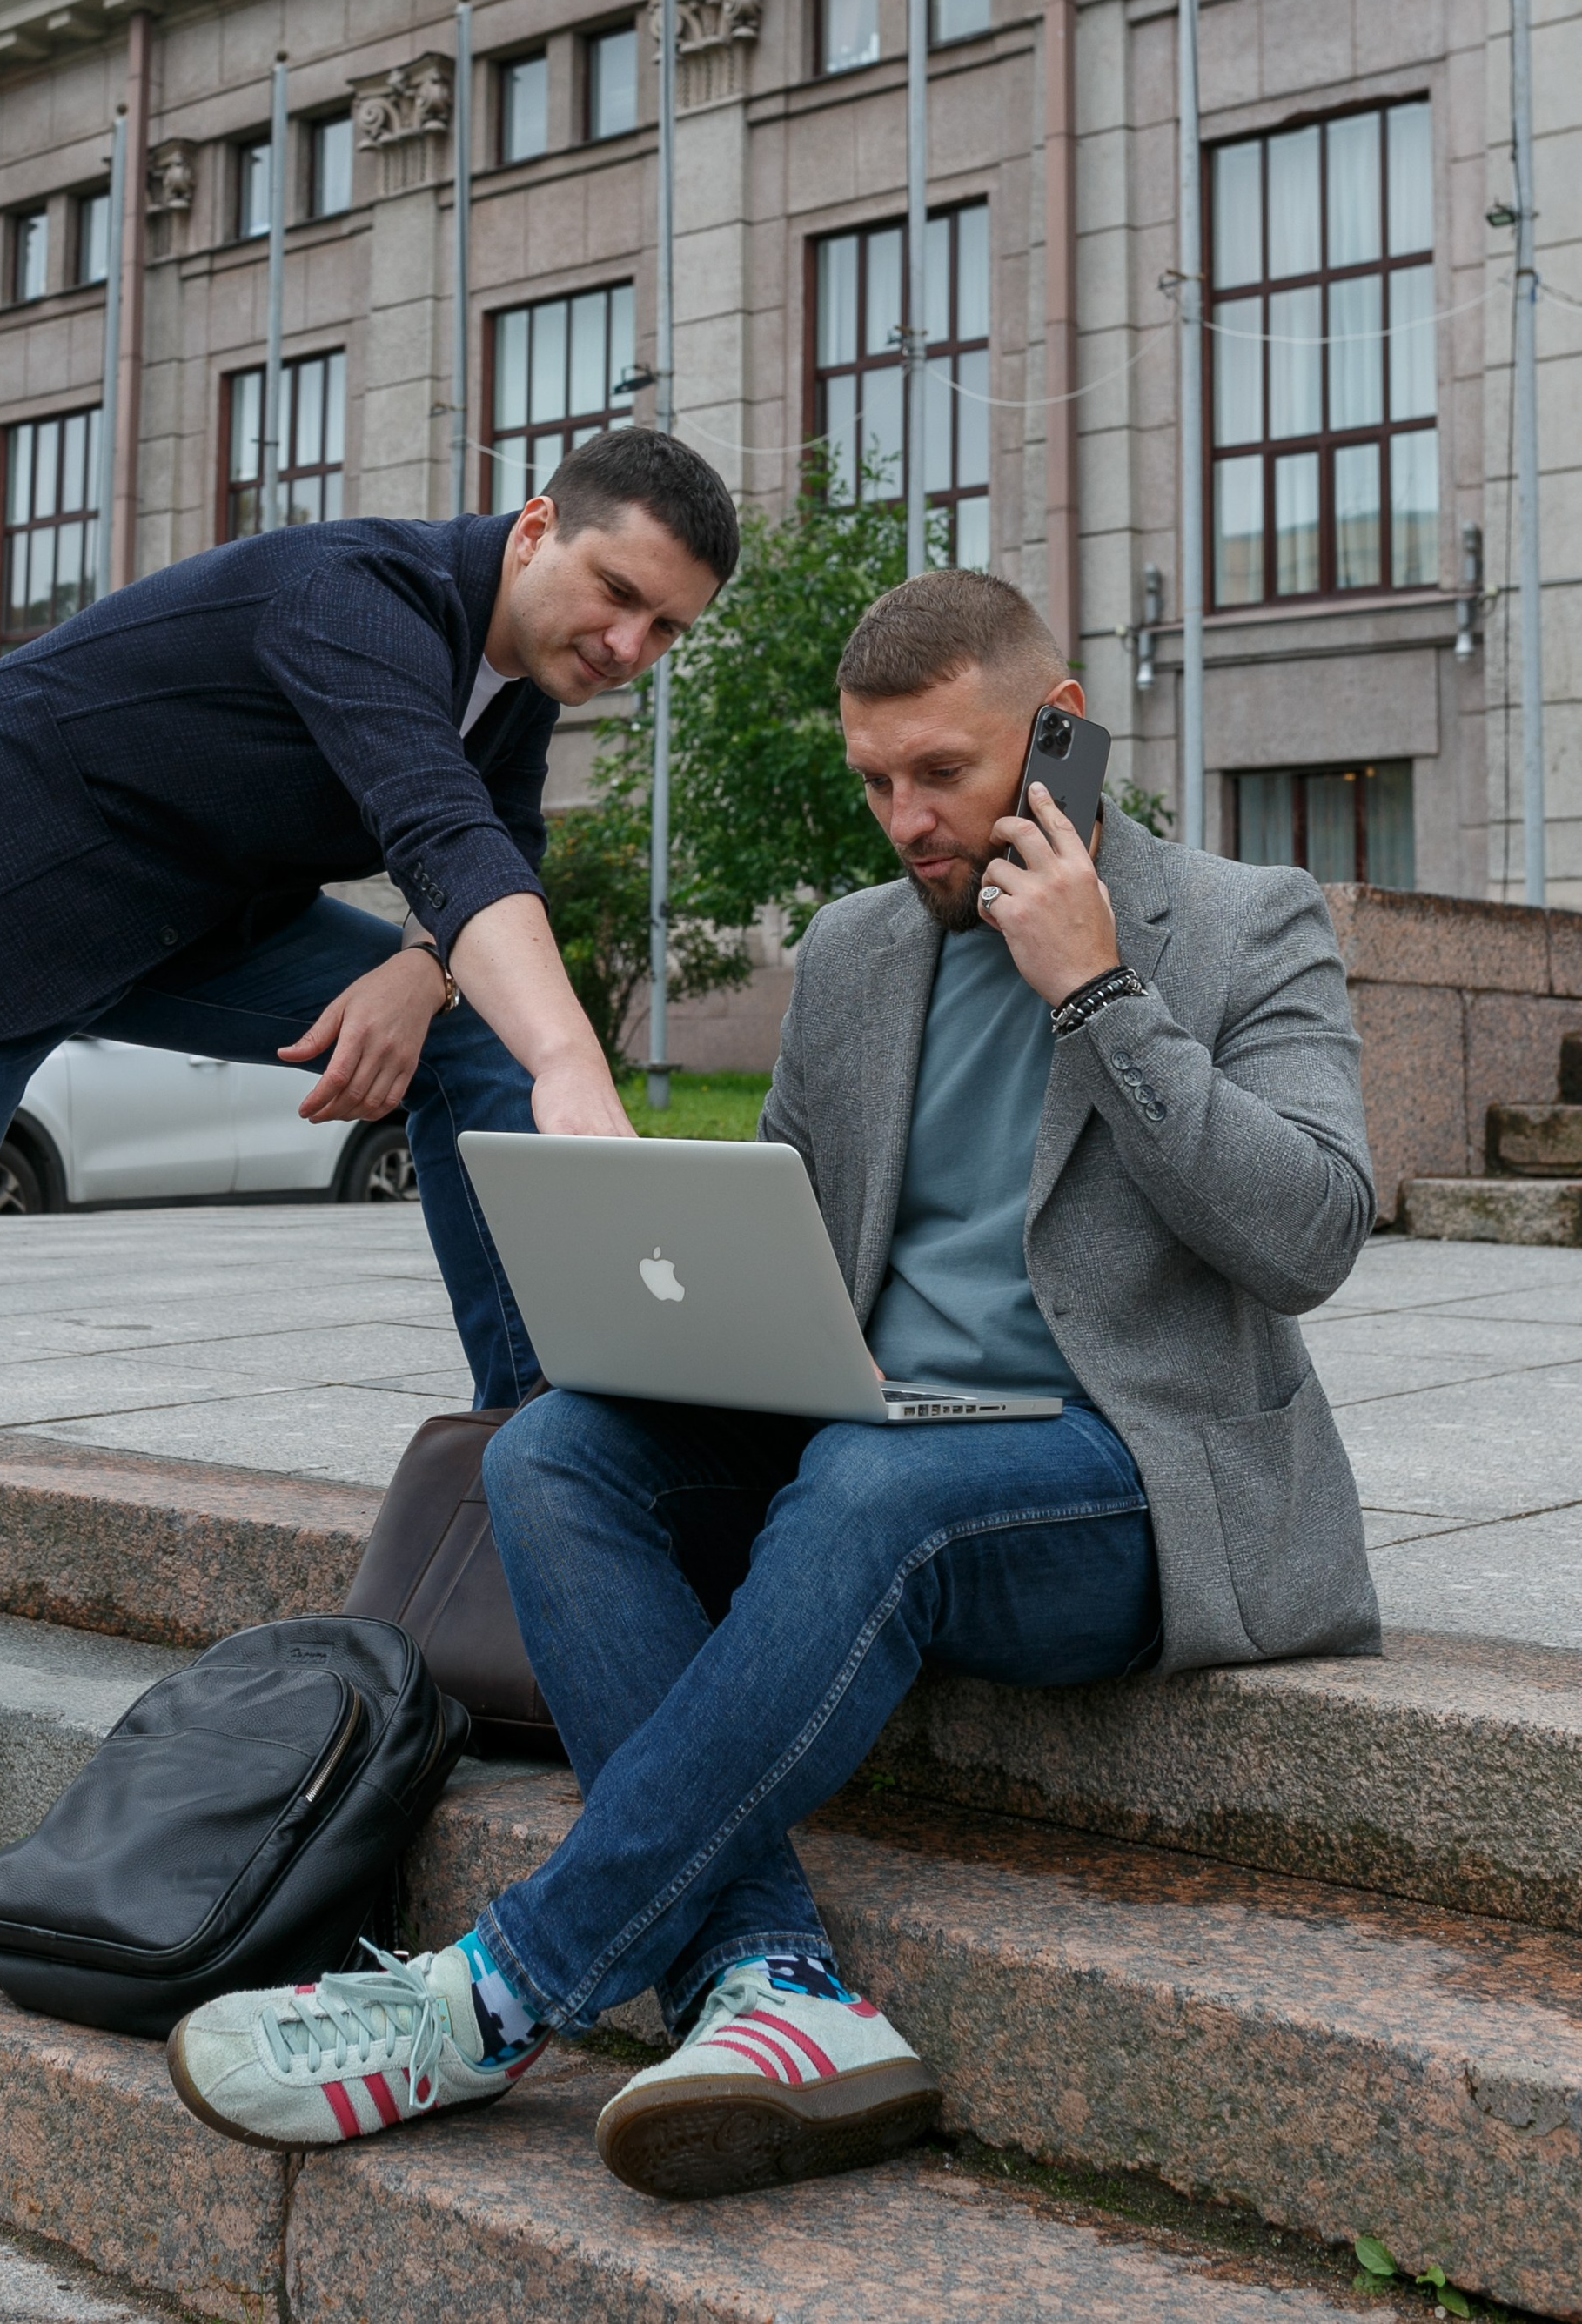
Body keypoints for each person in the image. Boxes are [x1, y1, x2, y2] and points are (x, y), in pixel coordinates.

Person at [168, 566, 1378, 2204]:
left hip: (1129, 1482)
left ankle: (500, 1991)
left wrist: (1096, 994)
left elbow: (1309, 1232)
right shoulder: (863, 952)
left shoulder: (1247, 925)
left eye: (944, 774)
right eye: (876, 781)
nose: (906, 820)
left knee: (873, 1491)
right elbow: (795, 1238)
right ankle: (778, 1983)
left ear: (1062, 733)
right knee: (559, 1454)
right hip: (870, 1450)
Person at [0, 425, 739, 1905]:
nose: (627, 644)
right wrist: (572, 1063)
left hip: (184, 916)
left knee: (459, 1038)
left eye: (666, 630)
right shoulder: (349, 593)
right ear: (534, 529)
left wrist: (424, 972)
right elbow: (434, 829)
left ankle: (545, 1492)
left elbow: (488, 851)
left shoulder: (516, 682)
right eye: (615, 594)